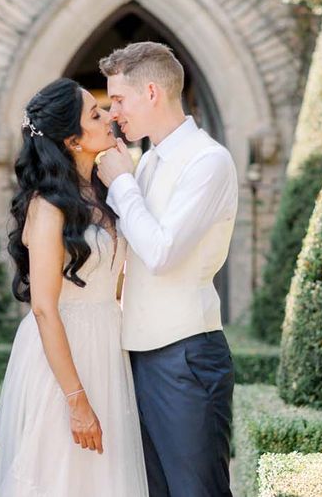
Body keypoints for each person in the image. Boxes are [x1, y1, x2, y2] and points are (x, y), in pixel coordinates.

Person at [0, 77, 149, 496]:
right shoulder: (47, 205)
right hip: (62, 354)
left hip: (106, 345)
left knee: (105, 475)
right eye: (95, 114)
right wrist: (75, 399)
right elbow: (43, 307)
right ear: (73, 139)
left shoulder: (104, 191)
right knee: (59, 473)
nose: (108, 116)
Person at [98, 41, 238, 497]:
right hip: (138, 354)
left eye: (118, 99)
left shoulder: (207, 161)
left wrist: (120, 181)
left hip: (186, 357)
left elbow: (162, 253)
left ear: (152, 92)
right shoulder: (147, 162)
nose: (113, 111)